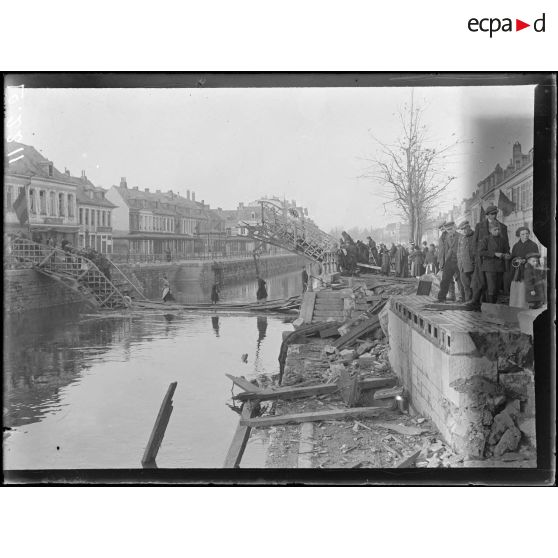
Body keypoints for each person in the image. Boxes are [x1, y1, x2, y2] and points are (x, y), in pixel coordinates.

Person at [468, 205, 509, 308]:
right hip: (481, 258)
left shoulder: (502, 227)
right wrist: (475, 256)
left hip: (496, 261)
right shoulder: (479, 226)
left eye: (495, 213)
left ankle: (488, 306)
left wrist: (506, 254)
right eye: (491, 214)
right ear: (487, 215)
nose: (493, 216)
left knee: (493, 284)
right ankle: (476, 301)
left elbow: (506, 244)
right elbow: (474, 242)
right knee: (480, 281)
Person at [478, 222, 511, 304]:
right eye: (495, 229)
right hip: (489, 267)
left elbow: (507, 251)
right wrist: (494, 254)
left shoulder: (503, 240)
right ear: (490, 230)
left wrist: (507, 255)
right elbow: (481, 252)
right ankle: (490, 306)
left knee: (497, 288)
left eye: (498, 229)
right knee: (491, 288)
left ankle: (494, 306)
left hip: (500, 267)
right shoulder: (486, 239)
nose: (497, 231)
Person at [509, 227, 539, 308]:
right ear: (519, 235)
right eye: (523, 234)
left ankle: (525, 307)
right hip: (517, 272)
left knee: (524, 289)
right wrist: (516, 260)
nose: (525, 235)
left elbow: (536, 258)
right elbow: (513, 257)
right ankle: (515, 307)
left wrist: (525, 261)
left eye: (527, 233)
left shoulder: (533, 245)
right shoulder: (516, 246)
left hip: (527, 271)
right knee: (516, 289)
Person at [437, 222, 465, 303]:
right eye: (448, 230)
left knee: (460, 280)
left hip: (458, 261)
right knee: (445, 279)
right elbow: (445, 250)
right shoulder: (447, 238)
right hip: (449, 261)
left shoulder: (461, 236)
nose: (449, 231)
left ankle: (462, 298)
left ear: (454, 228)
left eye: (451, 229)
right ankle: (441, 297)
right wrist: (444, 261)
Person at [456, 220, 476, 302]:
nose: (463, 231)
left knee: (474, 286)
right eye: (462, 229)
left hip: (472, 265)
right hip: (462, 266)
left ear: (469, 227)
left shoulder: (474, 236)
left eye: (465, 228)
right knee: (465, 286)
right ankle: (468, 302)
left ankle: (474, 302)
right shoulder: (461, 238)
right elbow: (458, 251)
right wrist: (459, 263)